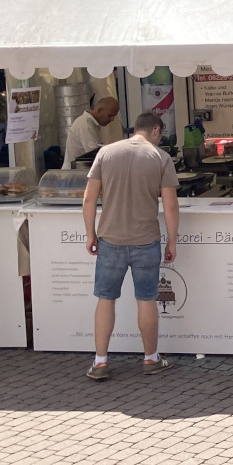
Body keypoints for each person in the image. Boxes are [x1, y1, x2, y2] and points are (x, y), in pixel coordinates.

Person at [81, 111, 179, 380]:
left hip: (110, 239)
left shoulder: (106, 153)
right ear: (156, 130)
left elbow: (89, 199)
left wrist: (90, 233)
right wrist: (172, 239)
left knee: (105, 299)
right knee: (146, 299)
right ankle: (150, 358)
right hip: (145, 240)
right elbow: (170, 204)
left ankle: (100, 362)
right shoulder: (161, 158)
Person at [64, 95, 120, 171]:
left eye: (114, 116)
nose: (112, 119)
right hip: (75, 175)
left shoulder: (91, 124)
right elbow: (94, 156)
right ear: (99, 110)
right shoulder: (85, 125)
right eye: (109, 115)